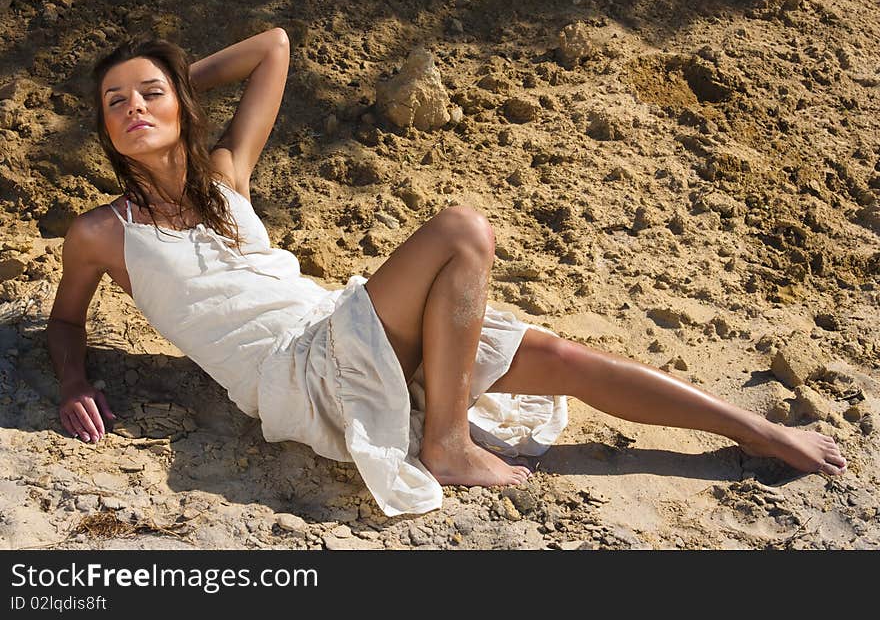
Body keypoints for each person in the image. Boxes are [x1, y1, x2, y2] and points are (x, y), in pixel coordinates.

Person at [46, 27, 847, 517]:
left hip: (341, 325)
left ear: (182, 104)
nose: (133, 109)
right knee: (463, 229)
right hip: (299, 373)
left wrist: (181, 81)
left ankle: (758, 432)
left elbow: (274, 48)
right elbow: (65, 319)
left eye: (150, 93)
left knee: (559, 357)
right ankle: (448, 442)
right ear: (105, 131)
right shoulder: (102, 232)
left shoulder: (227, 174)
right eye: (115, 103)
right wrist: (75, 380)